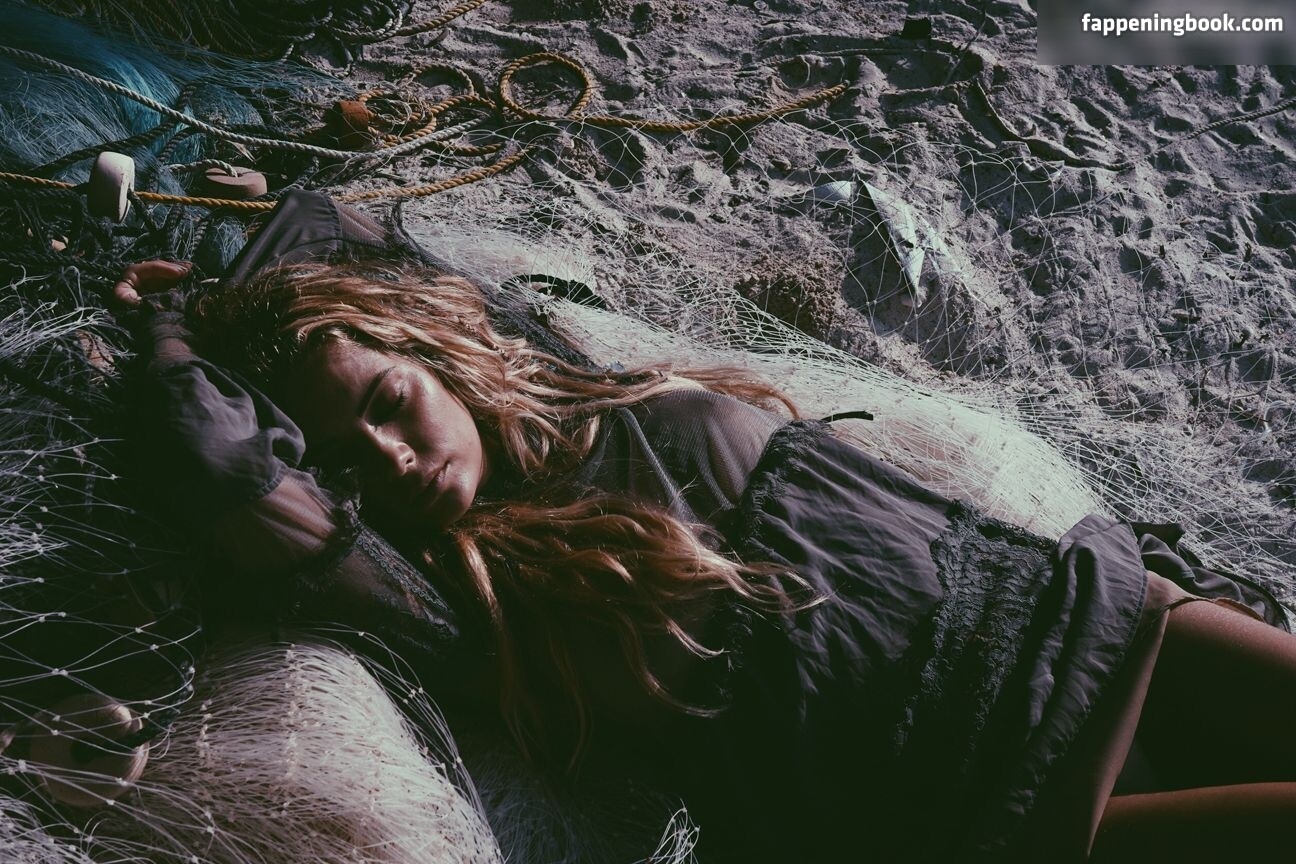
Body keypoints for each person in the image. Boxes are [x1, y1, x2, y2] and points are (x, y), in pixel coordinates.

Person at [116, 191, 1296, 864]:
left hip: (1078, 614)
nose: (387, 457)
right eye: (337, 462)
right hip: (991, 803)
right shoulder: (441, 592)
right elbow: (219, 465)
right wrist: (167, 333)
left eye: (389, 402)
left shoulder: (562, 378)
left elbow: (335, 230)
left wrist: (224, 290)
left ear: (433, 354)